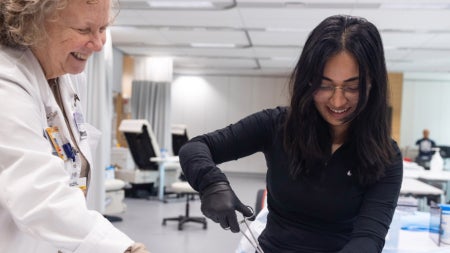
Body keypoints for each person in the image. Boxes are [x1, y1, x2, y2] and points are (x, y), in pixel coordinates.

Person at [179, 15, 403, 253]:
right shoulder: (277, 125)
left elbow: (368, 239)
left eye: (352, 87)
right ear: (308, 82)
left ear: (373, 84)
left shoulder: (386, 156)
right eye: (325, 85)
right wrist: (212, 183)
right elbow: (195, 147)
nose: (337, 100)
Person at [0, 0, 150, 252]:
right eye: (84, 30)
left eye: (103, 28)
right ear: (31, 23)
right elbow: (39, 196)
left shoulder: (68, 76)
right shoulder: (6, 85)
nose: (99, 44)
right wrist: (124, 249)